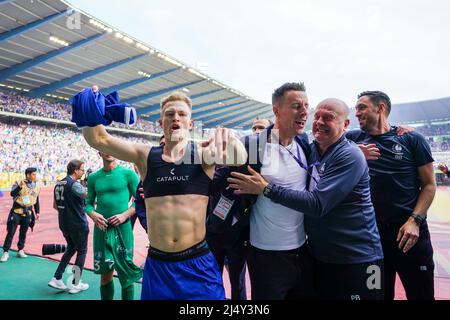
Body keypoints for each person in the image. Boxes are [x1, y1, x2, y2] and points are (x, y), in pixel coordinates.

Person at [72, 87, 247, 300]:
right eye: (170, 114)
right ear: (160, 122)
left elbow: (239, 158)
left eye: (182, 114)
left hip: (198, 263)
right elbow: (99, 140)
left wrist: (231, 138)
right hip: (159, 265)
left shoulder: (202, 155)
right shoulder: (144, 156)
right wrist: (90, 110)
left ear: (190, 124)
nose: (176, 118)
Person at [229, 98, 384, 300]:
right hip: (320, 257)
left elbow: (317, 204)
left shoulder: (350, 155)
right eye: (317, 116)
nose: (319, 121)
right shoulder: (312, 150)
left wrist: (266, 189)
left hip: (359, 258)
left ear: (345, 124)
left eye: (328, 117)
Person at [346, 91, 436, 300]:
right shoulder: (352, 139)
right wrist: (353, 152)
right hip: (372, 242)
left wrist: (415, 220)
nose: (357, 113)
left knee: (421, 295)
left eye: (362, 107)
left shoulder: (412, 139)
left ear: (380, 108)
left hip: (410, 237)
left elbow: (429, 185)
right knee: (376, 295)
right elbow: (321, 146)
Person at [206, 118, 272, 300]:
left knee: (238, 282)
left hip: (241, 235)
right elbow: (208, 184)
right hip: (214, 231)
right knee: (211, 280)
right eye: (254, 127)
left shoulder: (268, 163)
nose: (257, 131)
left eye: (262, 128)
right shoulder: (230, 156)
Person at [86, 152, 141, 300]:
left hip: (123, 229)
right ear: (99, 152)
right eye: (104, 148)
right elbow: (88, 204)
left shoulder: (128, 174)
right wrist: (93, 214)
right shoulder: (93, 178)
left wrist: (124, 215)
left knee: (126, 275)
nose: (108, 151)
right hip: (102, 229)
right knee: (105, 276)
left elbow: (141, 201)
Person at [48, 160, 89, 294]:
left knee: (71, 248)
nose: (83, 172)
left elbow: (55, 206)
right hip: (77, 223)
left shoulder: (59, 183)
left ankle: (57, 277)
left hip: (64, 223)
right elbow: (87, 196)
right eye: (82, 169)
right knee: (82, 251)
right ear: (75, 170)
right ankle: (75, 282)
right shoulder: (74, 185)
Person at [1, 167, 40, 262]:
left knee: (23, 232)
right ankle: (6, 252)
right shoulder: (18, 183)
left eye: (36, 174)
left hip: (28, 212)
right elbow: (12, 193)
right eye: (34, 174)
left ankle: (20, 249)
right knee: (11, 232)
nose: (35, 176)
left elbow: (36, 200)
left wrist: (37, 211)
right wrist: (20, 186)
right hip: (16, 211)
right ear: (28, 175)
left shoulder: (37, 185)